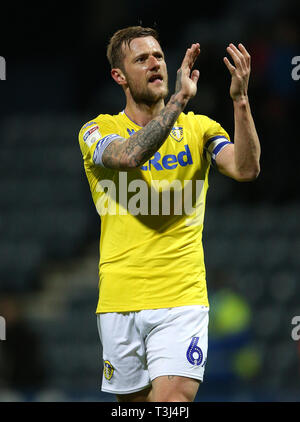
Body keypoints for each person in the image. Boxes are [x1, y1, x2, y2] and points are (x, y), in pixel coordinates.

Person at [78, 26, 260, 402]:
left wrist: (240, 100)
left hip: (182, 298)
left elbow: (245, 168)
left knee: (171, 404)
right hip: (119, 302)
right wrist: (179, 100)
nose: (154, 64)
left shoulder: (200, 129)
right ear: (119, 76)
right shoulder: (98, 130)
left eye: (158, 56)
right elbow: (130, 156)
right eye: (141, 59)